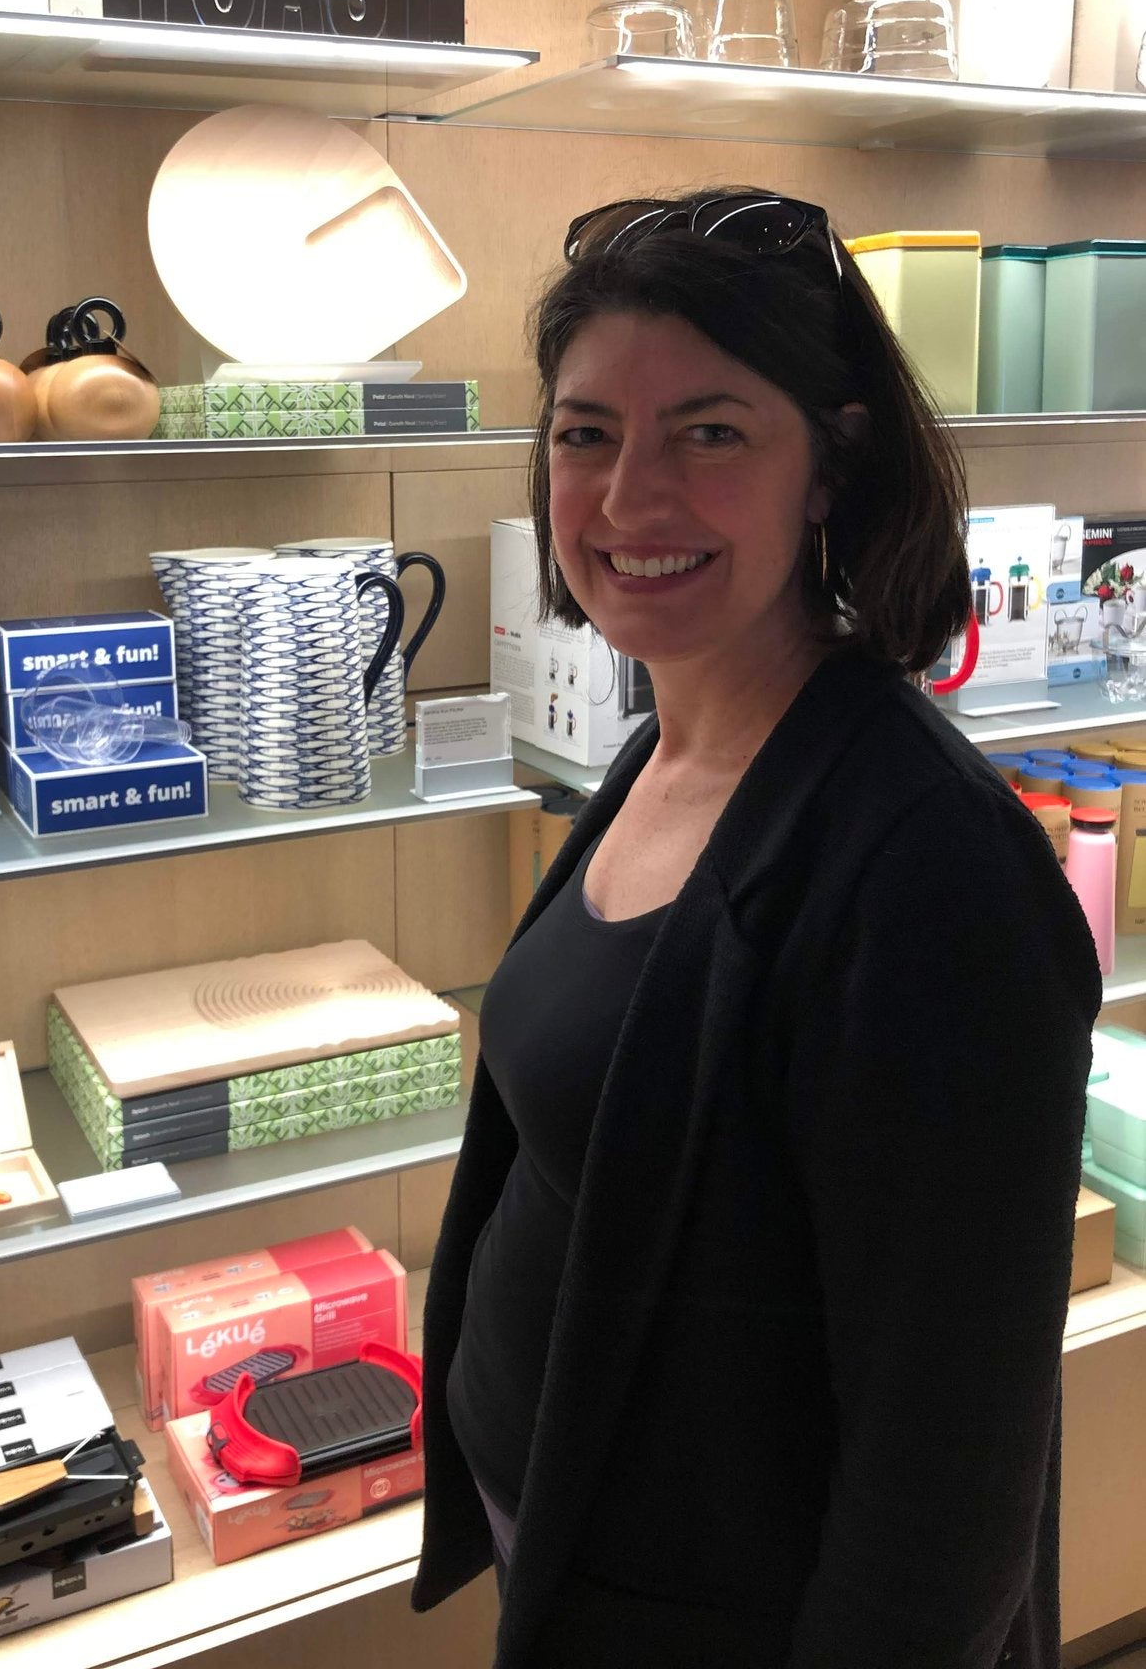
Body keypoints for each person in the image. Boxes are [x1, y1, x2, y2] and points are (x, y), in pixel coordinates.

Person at [411, 188, 1099, 1669]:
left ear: (828, 469)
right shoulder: (662, 746)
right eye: (586, 435)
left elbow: (951, 1486)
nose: (629, 497)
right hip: (590, 1565)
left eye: (711, 432)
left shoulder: (929, 869)